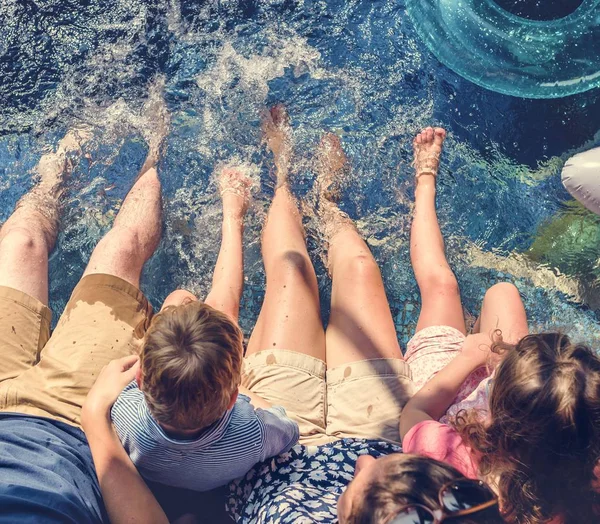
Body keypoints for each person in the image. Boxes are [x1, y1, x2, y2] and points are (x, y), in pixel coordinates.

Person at [399, 129, 600, 523]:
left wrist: (466, 360)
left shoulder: (460, 464)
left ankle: (425, 182)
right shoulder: (584, 477)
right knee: (504, 292)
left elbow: (413, 414)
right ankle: (484, 335)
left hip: (447, 391)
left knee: (441, 286)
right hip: (521, 404)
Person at [0, 126, 163, 523]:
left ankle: (55, 173)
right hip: (72, 424)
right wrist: (96, 421)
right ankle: (158, 147)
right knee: (120, 248)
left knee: (21, 240)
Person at [110, 165, 300, 492]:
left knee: (179, 299)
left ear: (141, 379)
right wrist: (245, 398)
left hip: (164, 477)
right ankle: (232, 219)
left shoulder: (129, 418)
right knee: (221, 308)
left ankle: (186, 296)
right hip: (217, 466)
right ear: (231, 399)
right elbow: (288, 430)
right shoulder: (249, 433)